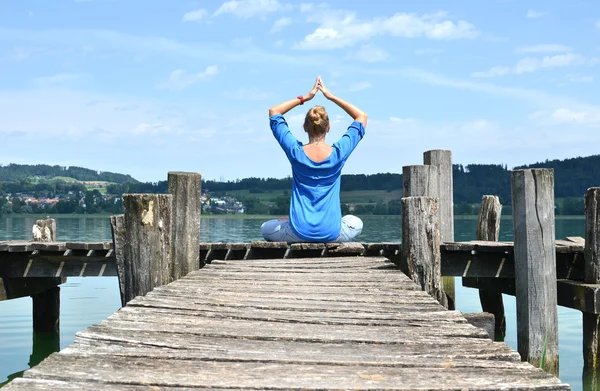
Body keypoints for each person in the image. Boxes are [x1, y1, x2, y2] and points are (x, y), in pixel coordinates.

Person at [261, 76, 367, 243]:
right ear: (329, 128)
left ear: (304, 127)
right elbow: (361, 116)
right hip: (332, 233)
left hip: (297, 232)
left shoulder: (296, 152)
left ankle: (290, 222)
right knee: (356, 223)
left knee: (265, 227)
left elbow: (274, 112)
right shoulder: (339, 153)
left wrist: (306, 97)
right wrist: (330, 96)